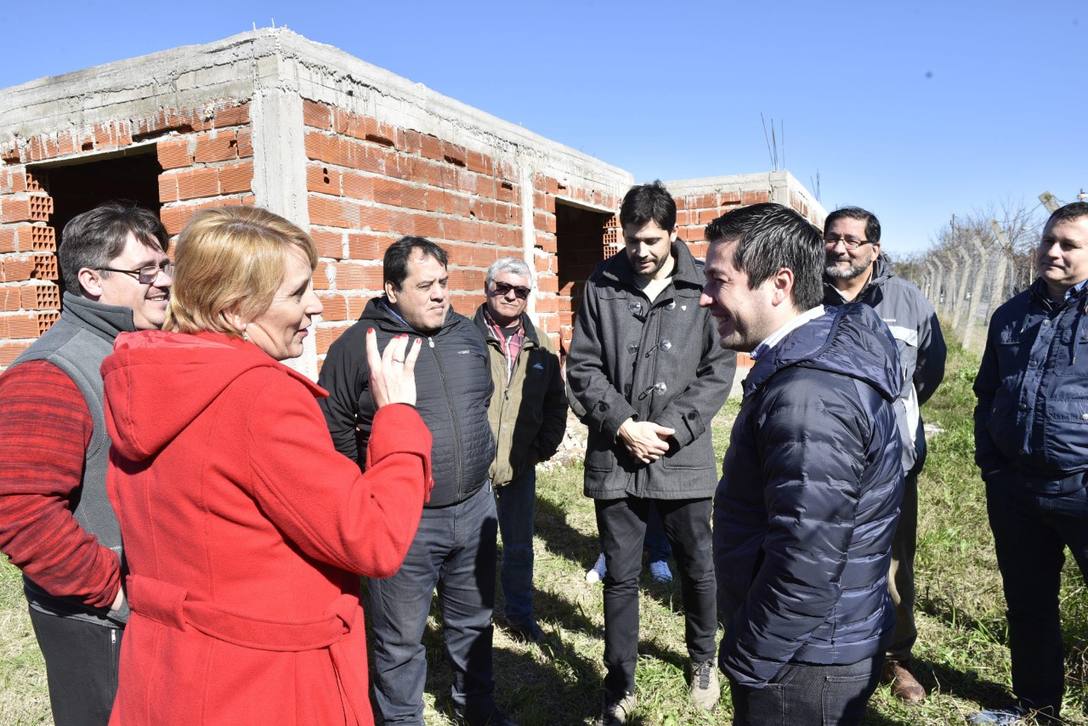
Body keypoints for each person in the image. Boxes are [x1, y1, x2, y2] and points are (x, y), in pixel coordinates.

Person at [100, 206, 431, 725]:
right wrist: (398, 419)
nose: (315, 305)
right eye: (297, 292)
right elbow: (373, 537)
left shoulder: (150, 378)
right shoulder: (259, 397)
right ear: (236, 310)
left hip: (171, 675)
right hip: (264, 686)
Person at [704, 203, 903, 726]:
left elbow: (806, 562)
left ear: (779, 284)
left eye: (718, 281)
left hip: (804, 659)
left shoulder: (809, 394)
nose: (705, 297)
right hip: (817, 642)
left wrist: (752, 656)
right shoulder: (815, 356)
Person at [319, 237, 510, 726]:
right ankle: (403, 719)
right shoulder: (357, 347)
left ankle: (476, 709)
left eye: (443, 282)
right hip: (403, 522)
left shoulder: (466, 334)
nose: (440, 294)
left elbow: (480, 400)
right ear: (391, 290)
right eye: (425, 286)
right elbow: (334, 429)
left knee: (474, 621)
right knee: (399, 639)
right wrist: (366, 494)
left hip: (474, 509)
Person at [566, 181, 735, 723]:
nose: (640, 251)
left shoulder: (701, 285)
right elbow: (583, 367)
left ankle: (703, 659)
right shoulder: (601, 284)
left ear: (673, 233)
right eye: (632, 239)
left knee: (697, 563)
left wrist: (666, 430)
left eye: (652, 241)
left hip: (680, 454)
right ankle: (620, 683)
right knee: (620, 574)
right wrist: (622, 425)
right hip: (617, 455)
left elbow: (717, 370)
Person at [0, 202, 170, 726]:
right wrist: (114, 594)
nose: (164, 281)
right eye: (145, 271)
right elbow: (19, 511)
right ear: (91, 280)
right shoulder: (50, 373)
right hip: (98, 621)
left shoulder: (133, 349)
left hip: (149, 609)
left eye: (165, 266)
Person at [822, 206, 946, 703]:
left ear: (875, 248)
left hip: (892, 461)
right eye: (832, 237)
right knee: (820, 553)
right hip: (822, 458)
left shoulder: (908, 300)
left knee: (893, 561)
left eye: (852, 240)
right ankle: (827, 651)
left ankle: (895, 656)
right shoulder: (806, 295)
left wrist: (891, 423)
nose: (840, 248)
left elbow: (928, 373)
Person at [971, 201, 1088, 725]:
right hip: (1016, 490)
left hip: (1081, 488)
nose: (1053, 252)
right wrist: (994, 468)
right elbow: (987, 393)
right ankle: (1037, 709)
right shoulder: (1011, 314)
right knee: (1029, 605)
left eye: (1069, 245)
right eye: (1048, 240)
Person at [473, 257, 567, 642]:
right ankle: (472, 620)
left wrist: (538, 451)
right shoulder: (463, 338)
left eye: (521, 291)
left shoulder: (541, 344)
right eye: (503, 287)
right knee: (471, 549)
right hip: (472, 469)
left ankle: (520, 617)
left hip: (519, 466)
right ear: (487, 288)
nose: (511, 296)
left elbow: (556, 404)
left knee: (518, 548)